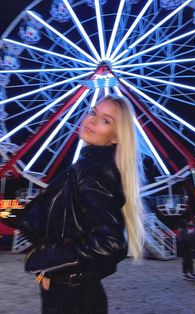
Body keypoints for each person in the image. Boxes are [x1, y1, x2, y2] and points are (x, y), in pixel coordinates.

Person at [18, 95, 146, 314]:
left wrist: (44, 260)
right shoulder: (83, 168)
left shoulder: (92, 172)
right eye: (93, 112)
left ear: (115, 137)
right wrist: (4, 206)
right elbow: (33, 214)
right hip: (73, 291)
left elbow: (109, 243)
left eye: (106, 120)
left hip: (72, 298)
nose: (92, 120)